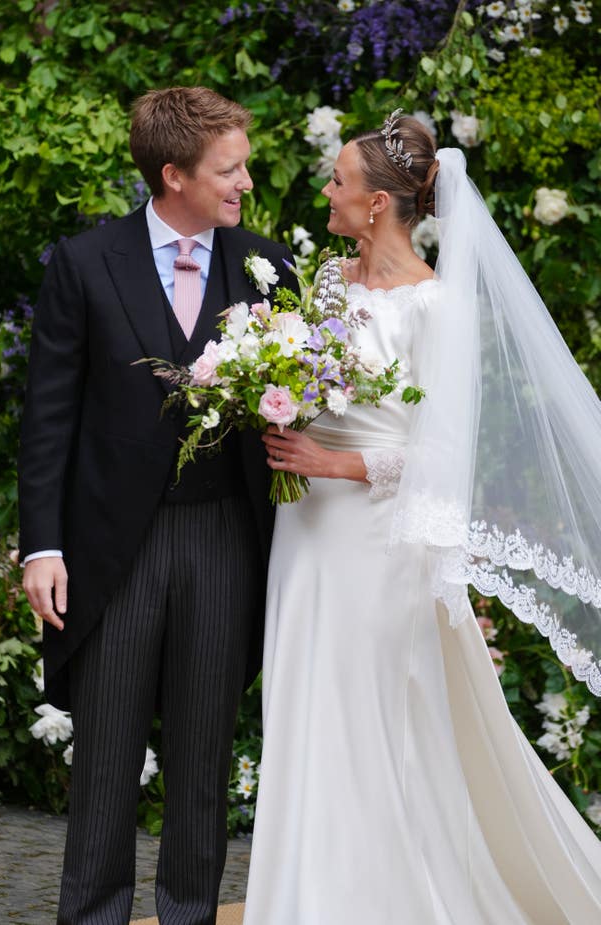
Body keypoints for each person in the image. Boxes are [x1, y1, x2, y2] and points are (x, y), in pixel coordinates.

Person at [243, 111, 601, 924]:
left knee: (369, 712)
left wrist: (334, 462)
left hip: (380, 534)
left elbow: (446, 455)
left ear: (377, 204)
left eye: (339, 181)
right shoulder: (326, 284)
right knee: (303, 702)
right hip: (305, 533)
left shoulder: (437, 306)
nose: (327, 192)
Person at [17, 86, 296, 925]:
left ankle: (188, 916)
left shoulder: (270, 265)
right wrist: (42, 546)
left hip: (224, 538)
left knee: (203, 761)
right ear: (172, 174)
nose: (246, 181)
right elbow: (49, 417)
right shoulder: (83, 261)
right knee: (104, 763)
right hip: (112, 548)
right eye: (230, 168)